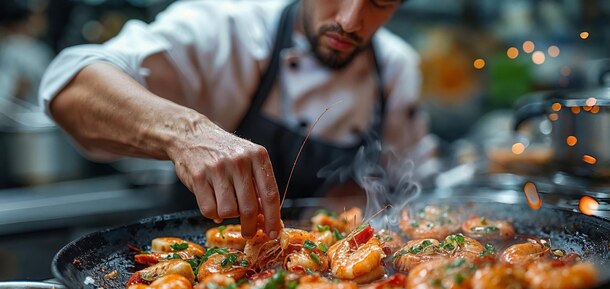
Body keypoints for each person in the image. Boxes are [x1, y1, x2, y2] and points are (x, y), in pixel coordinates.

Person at [39, 0, 425, 239]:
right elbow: (69, 85)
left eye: (381, 1)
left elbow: (398, 186)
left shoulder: (397, 69)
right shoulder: (227, 27)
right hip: (202, 269)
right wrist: (186, 134)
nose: (351, 20)